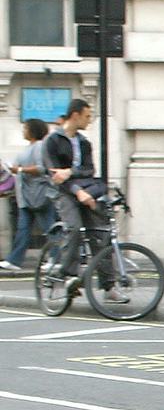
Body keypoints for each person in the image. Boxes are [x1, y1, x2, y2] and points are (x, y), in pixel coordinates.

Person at [42, 98, 122, 301]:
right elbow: (55, 175)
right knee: (75, 228)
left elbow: (89, 169)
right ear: (75, 115)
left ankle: (109, 286)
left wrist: (70, 172)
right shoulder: (52, 141)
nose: (89, 120)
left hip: (86, 191)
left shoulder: (84, 142)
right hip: (63, 192)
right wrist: (77, 189)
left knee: (100, 233)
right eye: (87, 116)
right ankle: (67, 275)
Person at [2, 118, 56, 271]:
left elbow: (41, 168)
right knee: (23, 230)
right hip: (26, 197)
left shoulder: (39, 146)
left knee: (50, 228)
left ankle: (56, 258)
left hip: (39, 195)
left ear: (33, 130)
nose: (23, 131)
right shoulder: (30, 147)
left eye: (25, 128)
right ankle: (14, 260)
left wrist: (19, 169)